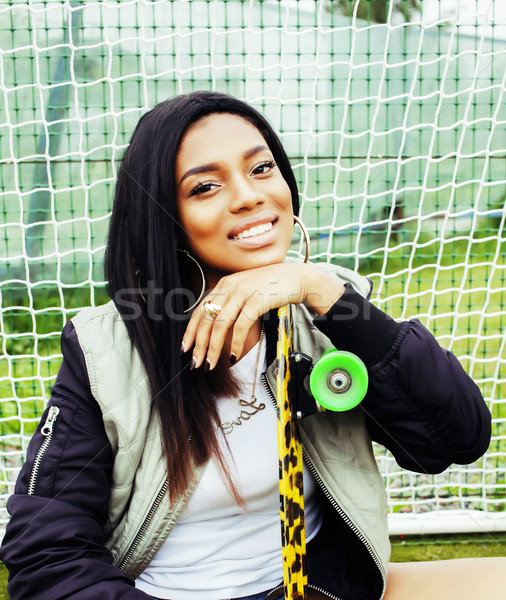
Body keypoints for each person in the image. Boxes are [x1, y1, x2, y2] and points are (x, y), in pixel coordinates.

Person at [0, 90, 503, 600]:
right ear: (167, 220)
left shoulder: (328, 307)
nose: (247, 196)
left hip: (319, 588)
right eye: (205, 187)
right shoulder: (106, 348)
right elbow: (46, 553)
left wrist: (321, 290)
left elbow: (456, 440)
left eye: (261, 169)